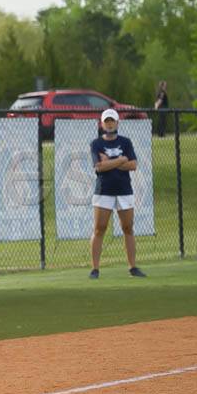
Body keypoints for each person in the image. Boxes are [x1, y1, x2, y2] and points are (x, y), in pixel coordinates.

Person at [89, 108, 146, 279]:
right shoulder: (96, 144)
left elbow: (133, 165)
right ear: (102, 124)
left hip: (124, 190)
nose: (110, 124)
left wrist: (111, 162)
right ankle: (95, 269)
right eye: (106, 121)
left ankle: (132, 267)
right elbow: (99, 167)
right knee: (100, 229)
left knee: (128, 228)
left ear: (117, 123)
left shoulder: (126, 142)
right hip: (104, 191)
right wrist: (121, 160)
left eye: (112, 121)